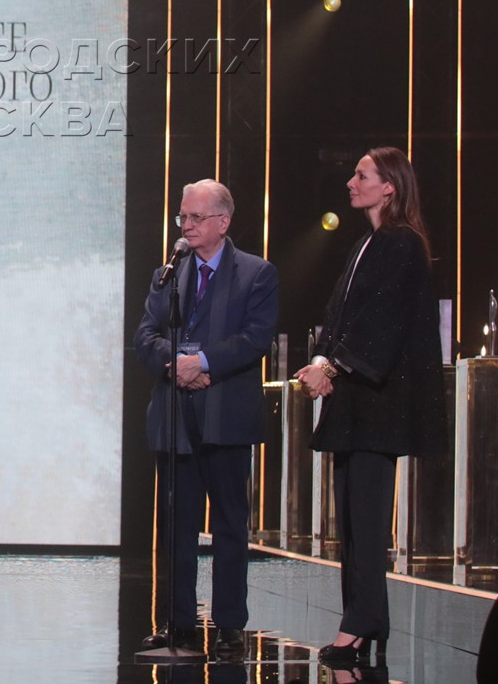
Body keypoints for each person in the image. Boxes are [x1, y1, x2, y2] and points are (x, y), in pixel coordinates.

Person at [293, 147, 445, 667]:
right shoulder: (368, 244)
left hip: (379, 406)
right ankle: (366, 618)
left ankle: (358, 624)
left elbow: (384, 323)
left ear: (389, 186)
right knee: (353, 523)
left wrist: (332, 369)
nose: (351, 182)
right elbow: (339, 316)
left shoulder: (402, 243)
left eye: (362, 175)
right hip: (356, 405)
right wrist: (319, 359)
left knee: (367, 517)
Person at [133, 179, 278, 654]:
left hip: (226, 417)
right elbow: (146, 335)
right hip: (175, 416)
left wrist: (204, 363)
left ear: (223, 221)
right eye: (183, 217)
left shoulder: (256, 273)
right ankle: (176, 624)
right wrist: (176, 364)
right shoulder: (168, 274)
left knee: (230, 526)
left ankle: (230, 626)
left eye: (196, 218)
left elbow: (255, 338)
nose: (187, 226)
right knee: (176, 527)